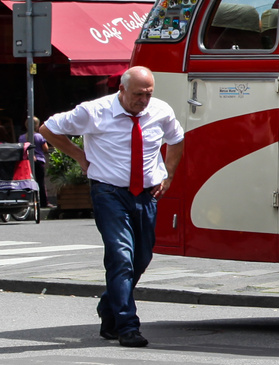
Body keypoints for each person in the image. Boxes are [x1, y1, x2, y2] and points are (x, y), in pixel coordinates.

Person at [38, 66, 184, 347]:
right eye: (138, 95)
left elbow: (176, 139)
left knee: (140, 258)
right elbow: (48, 129)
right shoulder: (94, 111)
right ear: (121, 90)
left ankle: (109, 310)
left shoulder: (161, 111)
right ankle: (127, 325)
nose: (143, 100)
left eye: (148, 94)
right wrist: (80, 156)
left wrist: (169, 173)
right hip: (108, 192)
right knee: (120, 256)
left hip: (145, 194)